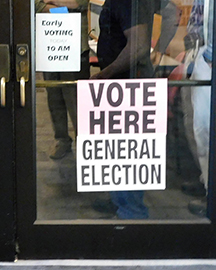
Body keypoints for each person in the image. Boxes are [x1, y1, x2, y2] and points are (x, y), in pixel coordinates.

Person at [91, 0, 155, 219]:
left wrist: (104, 74)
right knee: (119, 150)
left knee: (129, 152)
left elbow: (138, 45)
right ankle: (120, 200)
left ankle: (132, 214)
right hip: (121, 86)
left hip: (129, 85)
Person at [35, 0, 90, 160]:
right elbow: (36, 6)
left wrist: (50, 2)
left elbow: (77, 4)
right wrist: (61, 8)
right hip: (50, 45)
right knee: (54, 97)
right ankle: (62, 140)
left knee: (76, 100)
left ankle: (84, 141)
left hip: (75, 48)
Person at [179, 0, 213, 217]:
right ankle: (205, 177)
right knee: (192, 122)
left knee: (205, 127)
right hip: (196, 57)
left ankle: (214, 192)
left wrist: (209, 58)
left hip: (210, 61)